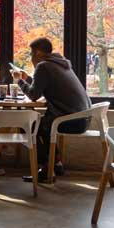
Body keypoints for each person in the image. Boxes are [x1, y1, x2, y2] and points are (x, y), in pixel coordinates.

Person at [12, 37, 91, 183]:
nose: (31, 57)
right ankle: (56, 164)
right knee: (43, 125)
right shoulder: (60, 63)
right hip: (83, 118)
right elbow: (43, 86)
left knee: (28, 127)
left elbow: (34, 95)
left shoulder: (43, 66)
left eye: (31, 53)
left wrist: (19, 81)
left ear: (38, 53)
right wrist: (28, 78)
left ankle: (46, 168)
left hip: (71, 120)